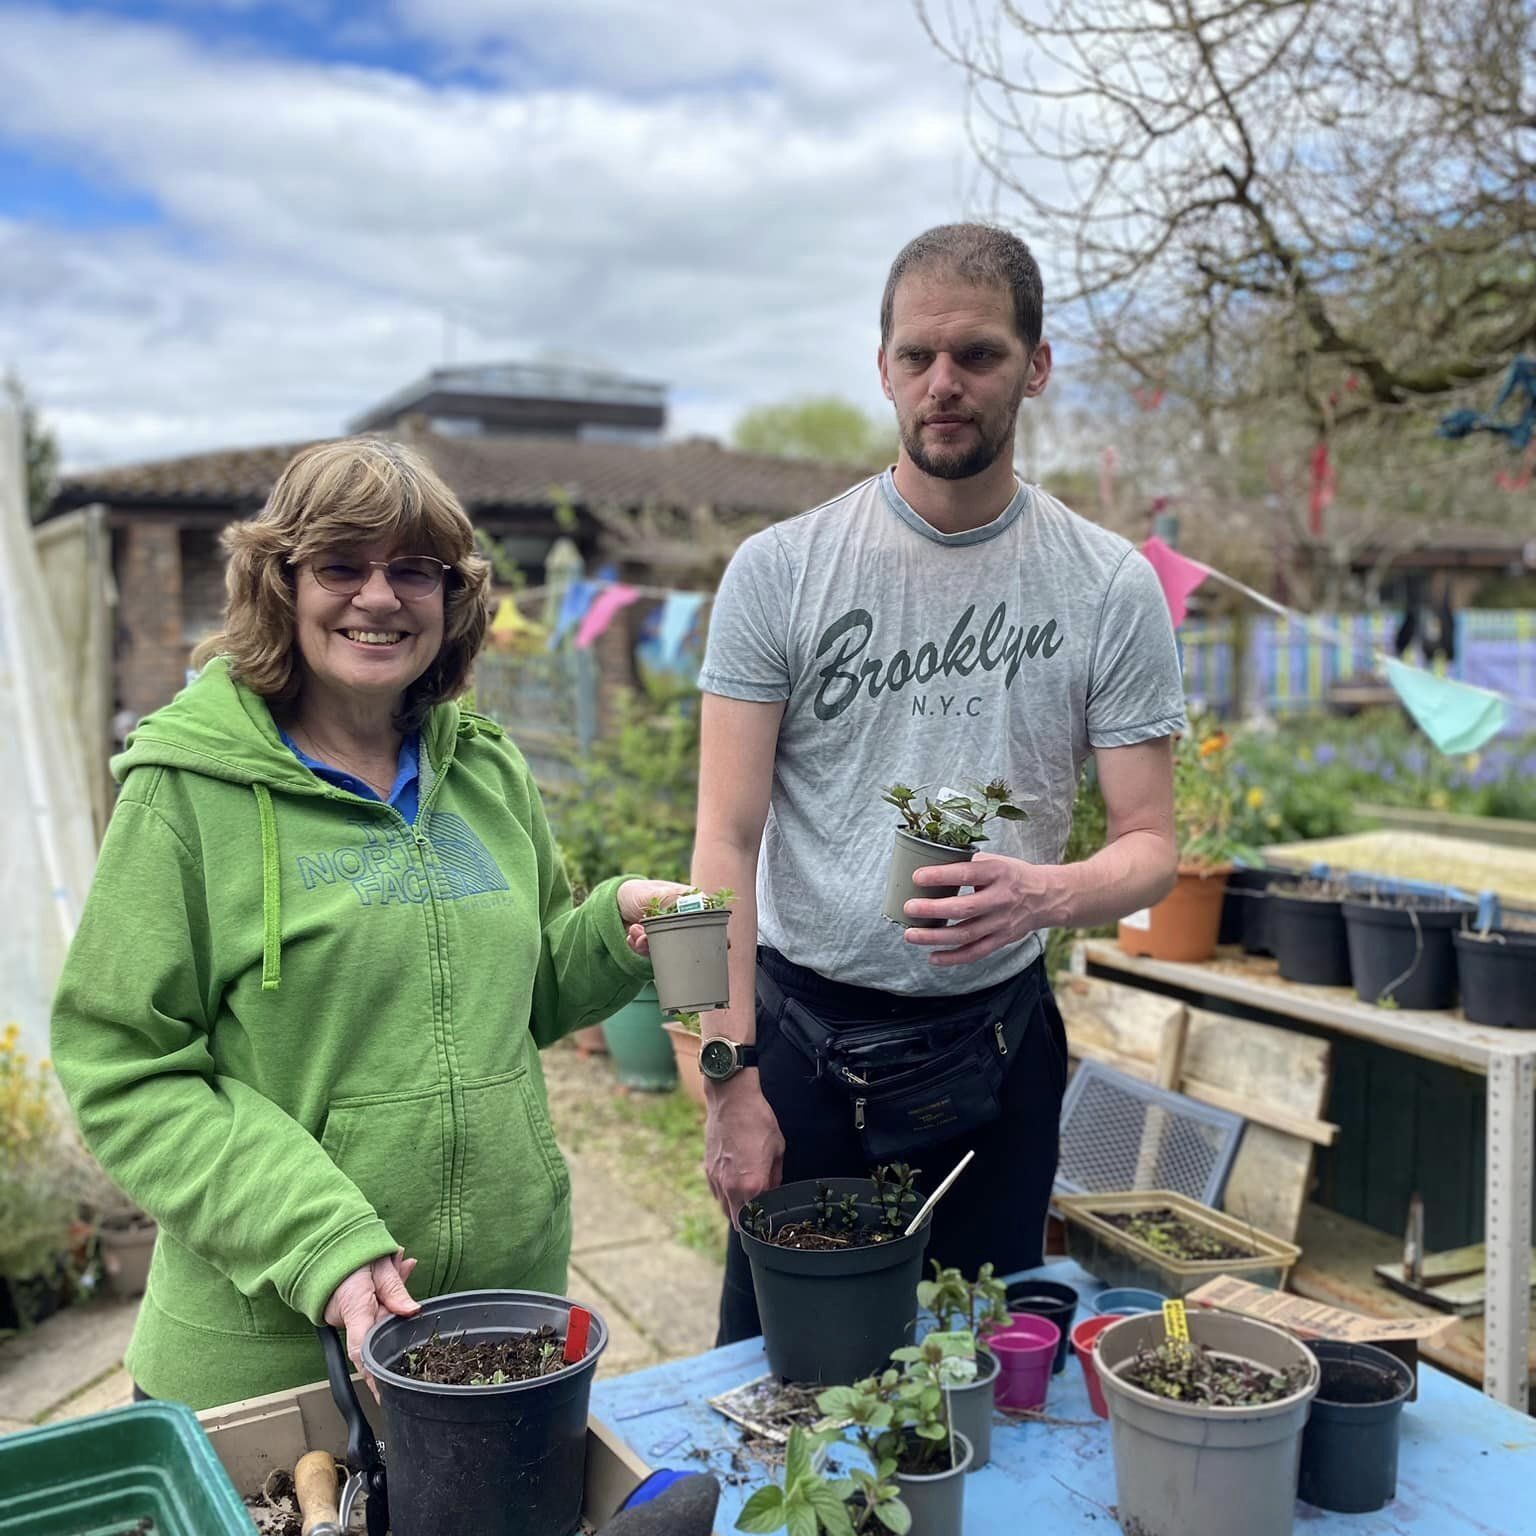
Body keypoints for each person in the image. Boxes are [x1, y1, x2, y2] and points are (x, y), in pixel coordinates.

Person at [51, 437, 689, 1408]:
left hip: (497, 1327)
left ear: (452, 595)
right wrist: (322, 1243)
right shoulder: (185, 794)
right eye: (342, 565)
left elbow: (525, 995)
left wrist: (611, 927)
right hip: (274, 1361)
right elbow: (125, 1067)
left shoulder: (483, 768)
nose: (380, 597)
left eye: (413, 570)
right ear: (280, 584)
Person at [691, 224, 1187, 1342]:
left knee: (975, 1381)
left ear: (1038, 365)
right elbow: (718, 845)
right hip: (804, 1050)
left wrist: (1047, 893)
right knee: (778, 1383)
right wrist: (727, 1080)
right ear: (883, 369)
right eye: (918, 357)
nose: (944, 384)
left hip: (998, 1056)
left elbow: (1150, 842)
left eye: (979, 355)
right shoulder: (781, 571)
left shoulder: (1107, 585)